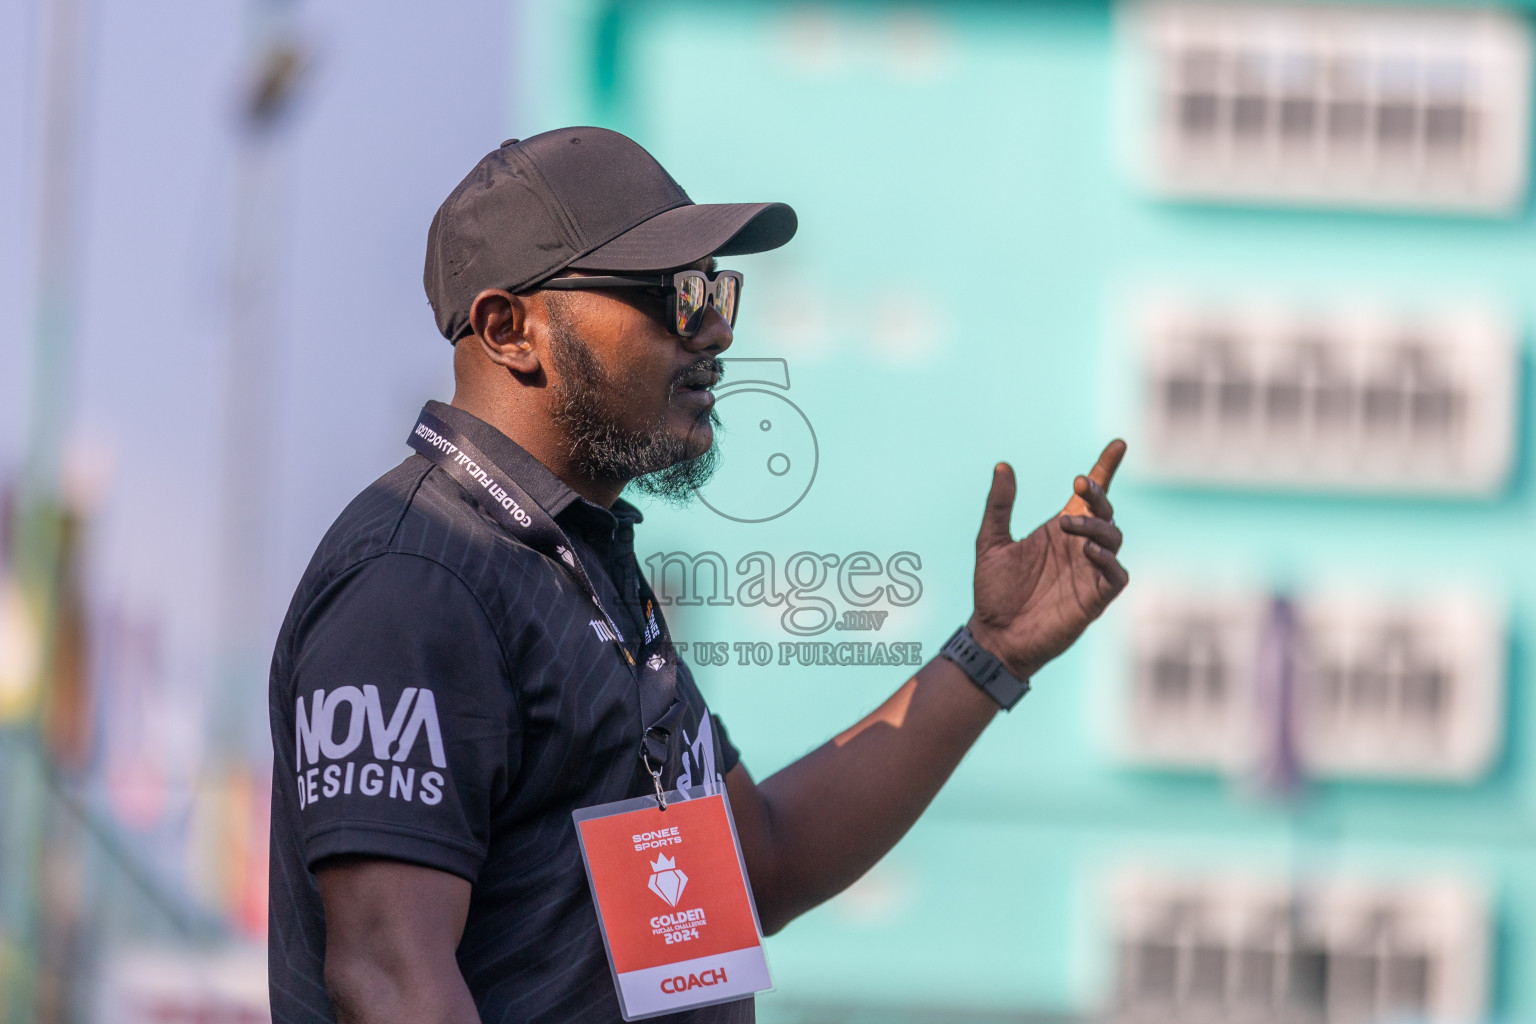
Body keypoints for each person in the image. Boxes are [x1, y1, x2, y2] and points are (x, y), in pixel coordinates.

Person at [266, 126, 1129, 1024]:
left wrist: (993, 652)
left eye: (716, 289)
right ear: (509, 329)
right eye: (673, 295)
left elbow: (762, 859)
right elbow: (387, 977)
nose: (715, 328)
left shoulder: (579, 565)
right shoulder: (418, 581)